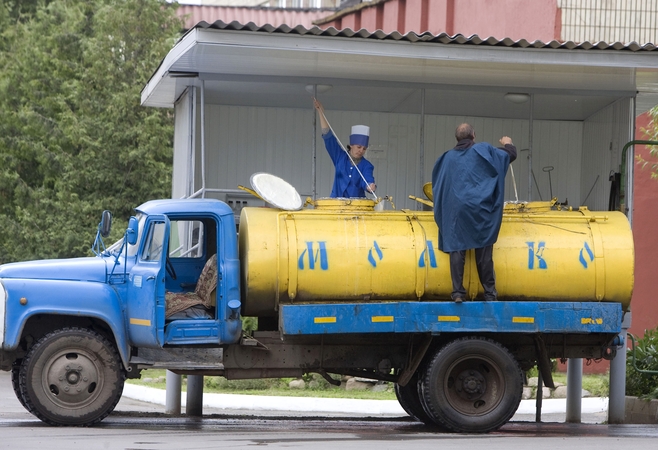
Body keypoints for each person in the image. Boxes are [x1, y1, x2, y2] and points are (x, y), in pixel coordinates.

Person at [431, 123, 517, 302]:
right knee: (484, 249)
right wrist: (508, 143)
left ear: (457, 138)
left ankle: (457, 293)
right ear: (473, 136)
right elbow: (509, 156)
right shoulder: (483, 150)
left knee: (456, 247)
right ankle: (489, 293)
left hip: (456, 211)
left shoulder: (445, 158)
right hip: (480, 210)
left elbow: (437, 188)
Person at [313, 99, 376, 198]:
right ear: (351, 145)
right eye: (358, 147)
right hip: (336, 204)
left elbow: (367, 180)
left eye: (364, 148)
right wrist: (321, 113)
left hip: (356, 207)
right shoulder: (339, 156)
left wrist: (370, 186)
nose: (361, 150)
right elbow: (328, 137)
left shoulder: (367, 165)